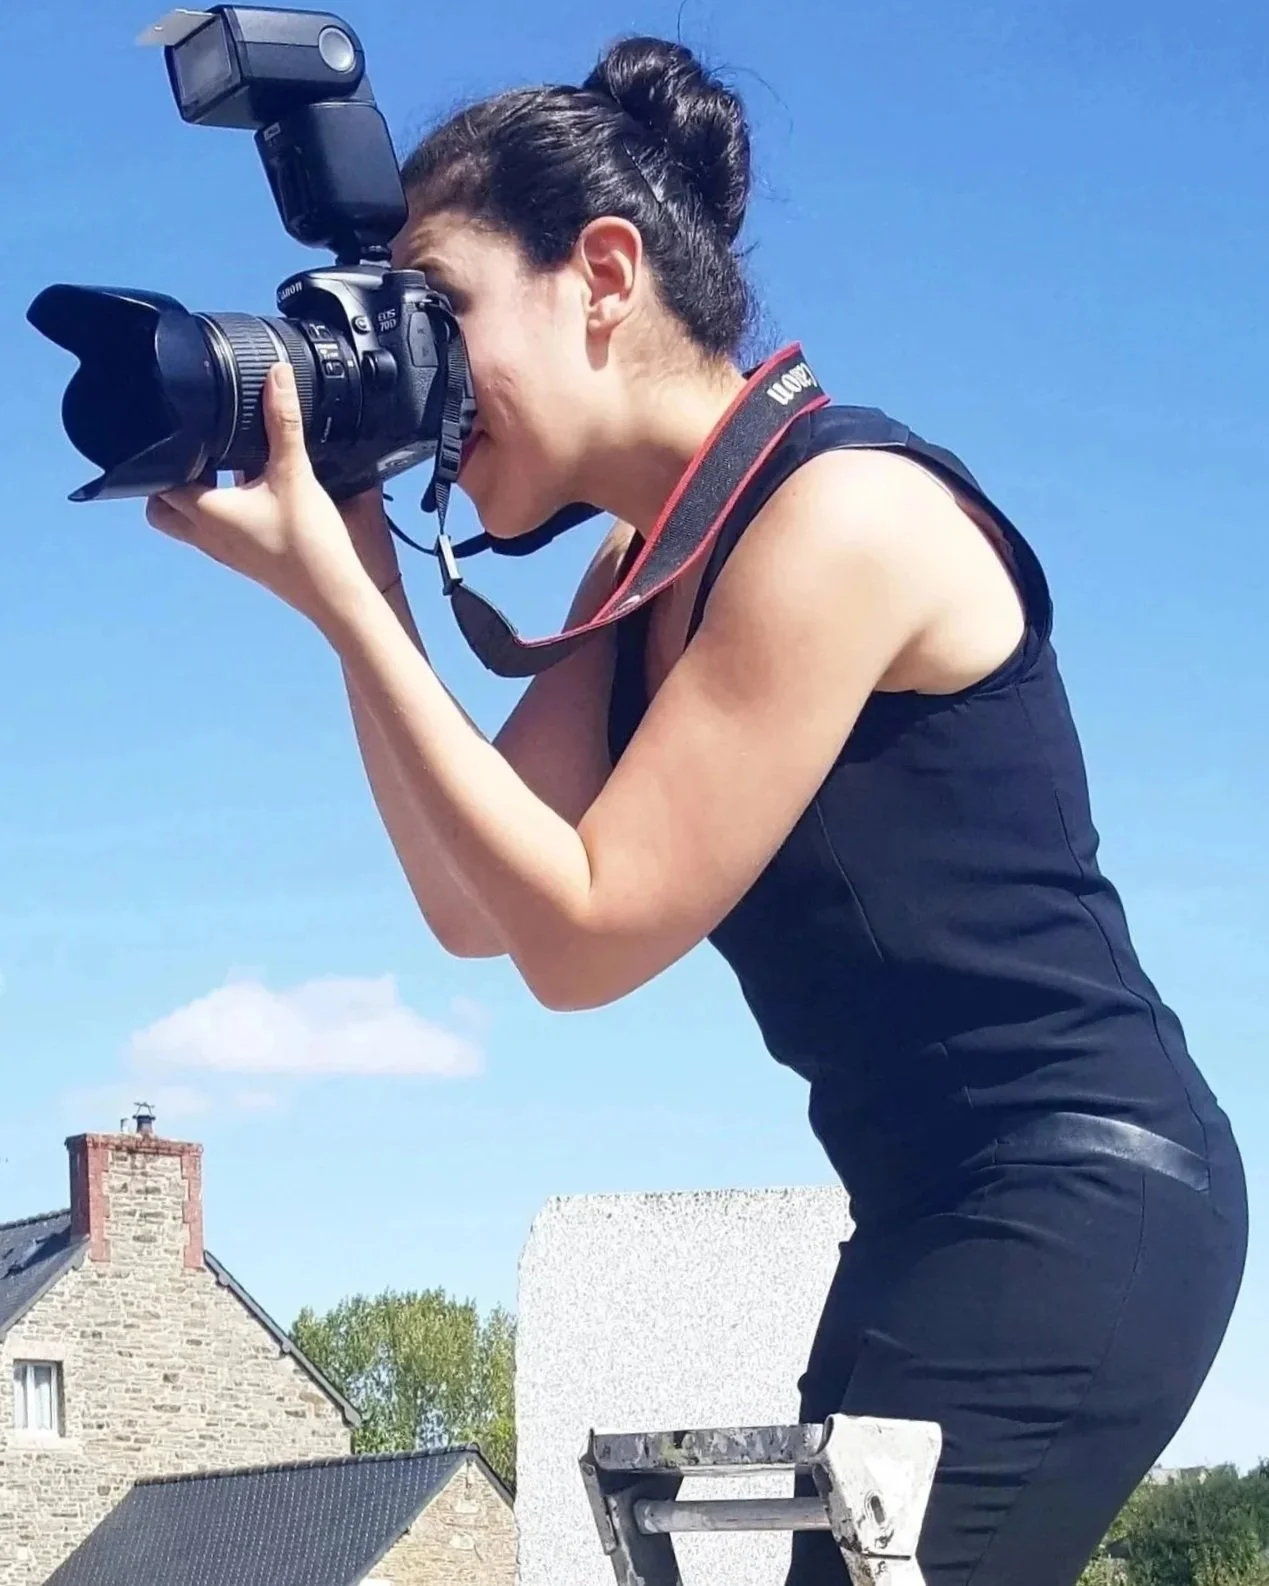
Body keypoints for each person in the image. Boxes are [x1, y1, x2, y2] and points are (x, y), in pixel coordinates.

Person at [143, 36, 1247, 1586]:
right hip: (924, 1204)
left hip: (1079, 1188)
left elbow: (584, 934)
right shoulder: (642, 565)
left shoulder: (840, 515)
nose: (413, 371)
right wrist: (364, 579)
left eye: (437, 310)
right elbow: (476, 901)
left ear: (603, 275)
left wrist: (345, 606)